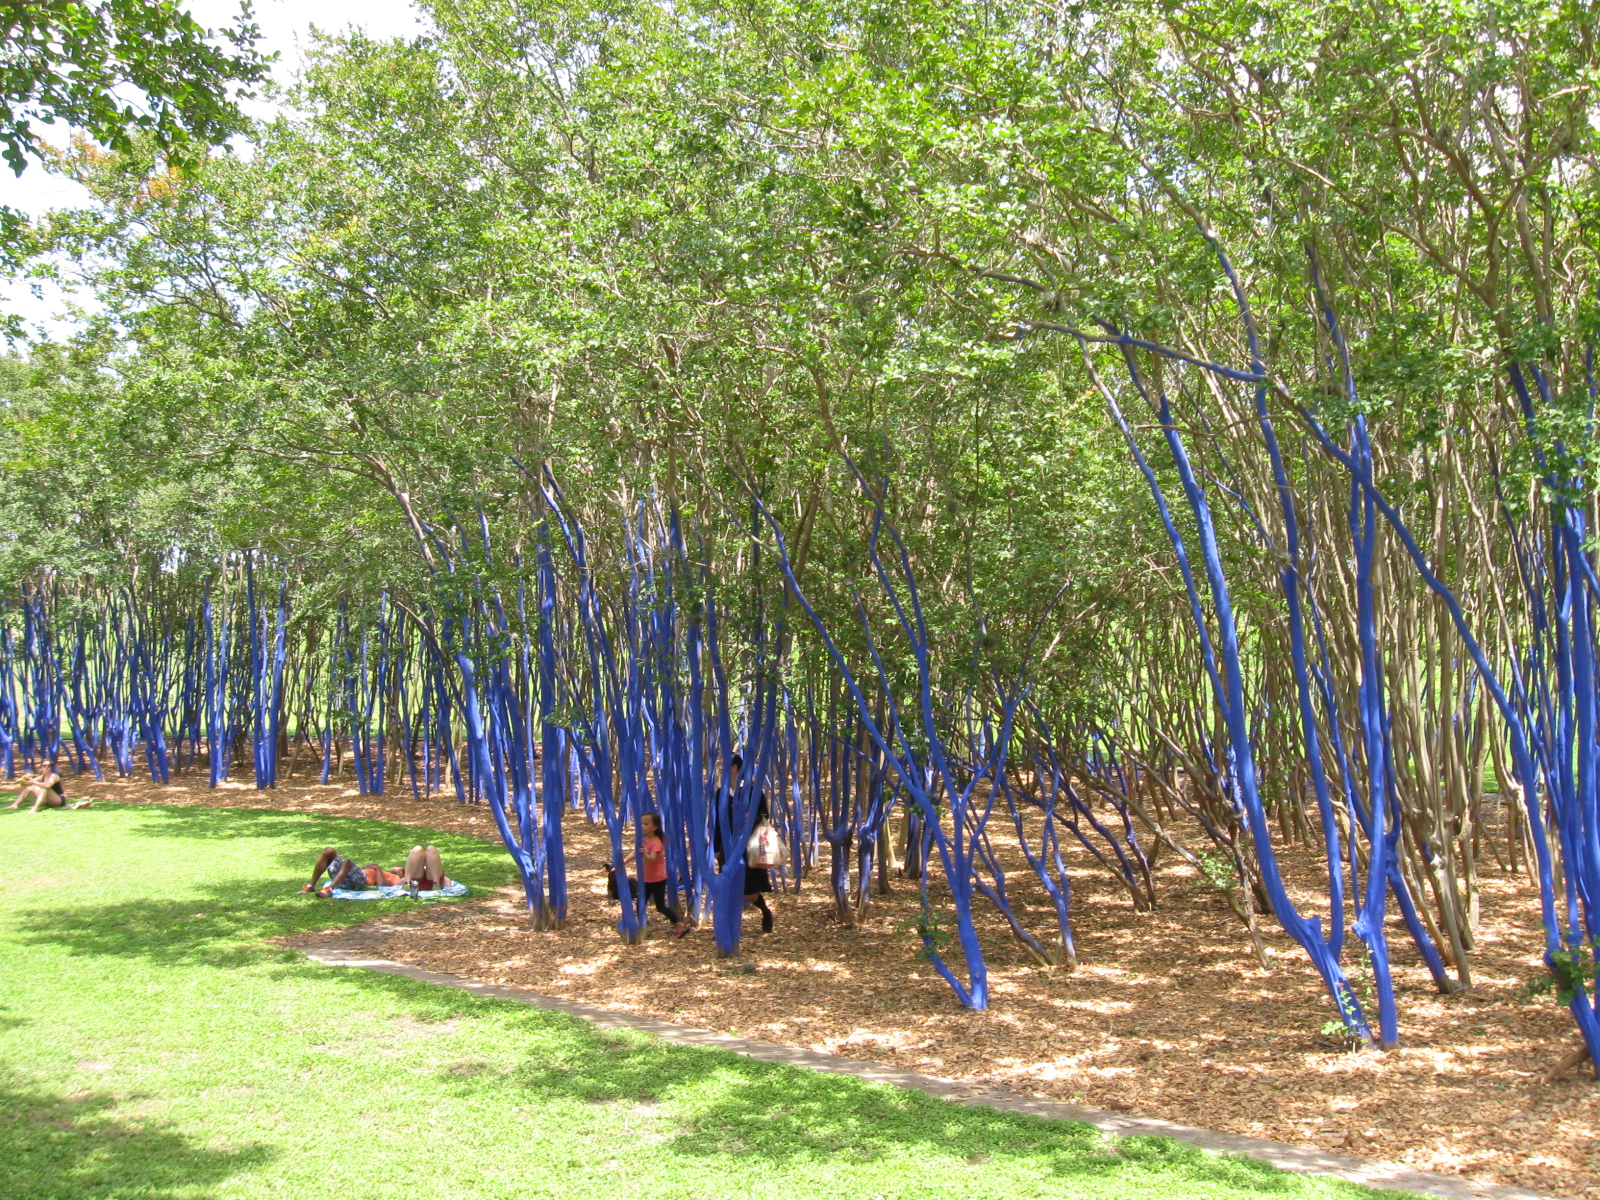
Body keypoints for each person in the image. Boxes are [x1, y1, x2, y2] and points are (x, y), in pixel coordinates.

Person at [625, 811, 688, 937]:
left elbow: (652, 859)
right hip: (646, 878)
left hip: (657, 879)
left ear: (655, 827)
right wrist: (624, 861)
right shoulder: (643, 840)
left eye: (646, 824)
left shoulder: (656, 842)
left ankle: (679, 924)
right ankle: (641, 927)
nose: (642, 826)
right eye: (641, 823)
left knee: (660, 906)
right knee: (640, 903)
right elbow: (635, 852)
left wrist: (644, 854)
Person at [303, 844, 451, 897]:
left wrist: (378, 870)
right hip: (347, 877)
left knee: (429, 849)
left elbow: (382, 886)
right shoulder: (395, 874)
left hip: (359, 880)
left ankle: (329, 889)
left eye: (401, 869)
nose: (398, 868)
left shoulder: (394, 878)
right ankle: (310, 886)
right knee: (329, 851)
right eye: (400, 868)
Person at [4, 766, 89, 812]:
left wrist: (33, 782)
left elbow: (48, 785)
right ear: (42, 768)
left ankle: (35, 808)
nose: (46, 767)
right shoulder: (42, 776)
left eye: (48, 766)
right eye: (44, 766)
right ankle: (15, 805)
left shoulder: (54, 776)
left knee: (45, 788)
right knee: (30, 788)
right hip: (48, 800)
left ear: (51, 768)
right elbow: (28, 784)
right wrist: (22, 781)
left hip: (58, 800)